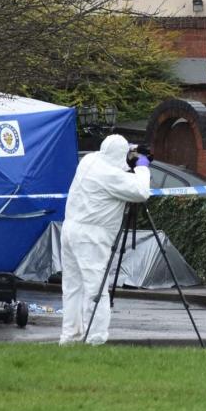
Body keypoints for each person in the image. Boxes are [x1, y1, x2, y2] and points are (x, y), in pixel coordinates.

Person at [59, 134, 151, 345]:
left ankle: (70, 337)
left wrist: (131, 149)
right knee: (96, 289)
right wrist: (143, 165)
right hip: (91, 237)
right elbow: (141, 191)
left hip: (71, 229)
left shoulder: (89, 160)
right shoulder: (109, 175)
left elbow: (114, 151)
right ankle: (96, 339)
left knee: (73, 287)